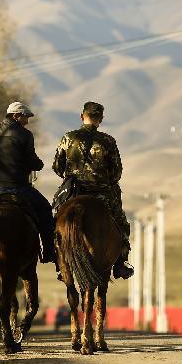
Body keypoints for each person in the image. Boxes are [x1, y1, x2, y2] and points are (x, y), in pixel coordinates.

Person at [53, 101, 134, 279]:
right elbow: (117, 172)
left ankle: (58, 259)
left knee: (55, 218)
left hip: (74, 191)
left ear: (82, 116)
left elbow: (57, 167)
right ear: (101, 119)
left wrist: (70, 176)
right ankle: (121, 262)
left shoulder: (68, 137)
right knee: (122, 223)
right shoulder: (108, 141)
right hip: (102, 193)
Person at [0, 101, 56, 263]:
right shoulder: (24, 135)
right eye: (25, 117)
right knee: (45, 210)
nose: (26, 121)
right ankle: (49, 251)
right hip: (18, 188)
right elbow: (31, 160)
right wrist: (38, 165)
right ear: (16, 116)